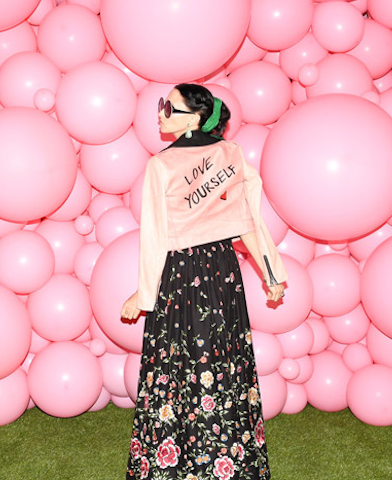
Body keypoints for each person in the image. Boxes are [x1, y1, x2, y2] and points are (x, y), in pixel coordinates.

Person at [121, 83, 287, 479]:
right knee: (216, 362)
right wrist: (271, 273)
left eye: (169, 108)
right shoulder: (224, 154)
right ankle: (224, 462)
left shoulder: (169, 164)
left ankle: (179, 463)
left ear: (194, 118)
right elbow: (243, 221)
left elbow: (239, 222)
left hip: (182, 274)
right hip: (219, 271)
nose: (160, 113)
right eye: (161, 105)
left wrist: (272, 273)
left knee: (186, 363)